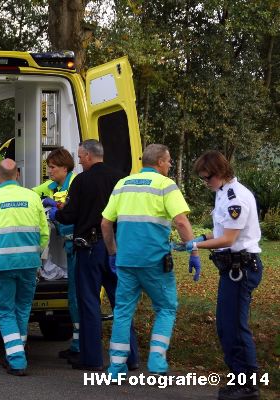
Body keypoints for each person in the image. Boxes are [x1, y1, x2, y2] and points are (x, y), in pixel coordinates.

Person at [101, 143, 200, 378]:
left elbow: (105, 223)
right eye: (168, 161)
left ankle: (115, 369)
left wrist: (113, 252)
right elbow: (182, 222)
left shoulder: (123, 184)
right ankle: (156, 362)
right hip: (155, 261)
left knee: (123, 311)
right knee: (166, 307)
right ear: (159, 162)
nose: (170, 165)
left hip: (126, 261)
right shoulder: (166, 185)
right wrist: (194, 252)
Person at [182, 151, 263, 400]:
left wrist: (195, 246)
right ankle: (239, 379)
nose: (205, 182)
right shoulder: (222, 193)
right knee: (226, 326)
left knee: (234, 328)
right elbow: (221, 231)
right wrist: (203, 237)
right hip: (233, 268)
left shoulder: (234, 197)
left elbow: (228, 239)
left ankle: (247, 385)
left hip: (242, 267)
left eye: (207, 178)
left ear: (220, 173)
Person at [54, 140, 138, 371]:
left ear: (89, 156)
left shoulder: (82, 180)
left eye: (80, 156)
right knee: (121, 302)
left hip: (89, 249)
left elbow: (69, 216)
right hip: (116, 249)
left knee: (89, 303)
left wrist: (55, 212)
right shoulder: (121, 179)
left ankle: (91, 359)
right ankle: (130, 357)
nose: (79, 161)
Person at [0, 158, 49, 376]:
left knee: (6, 312)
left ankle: (17, 361)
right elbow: (44, 233)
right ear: (18, 175)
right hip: (28, 264)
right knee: (23, 309)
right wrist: (34, 255)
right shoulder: (33, 197)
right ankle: (14, 354)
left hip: (0, 264)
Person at [32, 147, 79, 358]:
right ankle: (77, 345)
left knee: (77, 296)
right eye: (48, 167)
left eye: (52, 167)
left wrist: (59, 208)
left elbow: (76, 209)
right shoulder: (50, 186)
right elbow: (29, 194)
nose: (49, 171)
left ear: (64, 167)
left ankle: (79, 345)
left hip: (76, 244)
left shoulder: (76, 183)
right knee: (73, 295)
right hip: (63, 244)